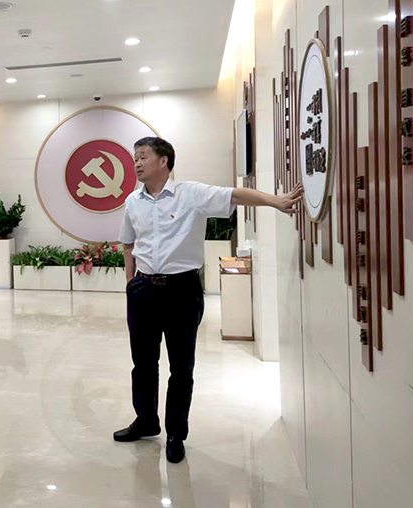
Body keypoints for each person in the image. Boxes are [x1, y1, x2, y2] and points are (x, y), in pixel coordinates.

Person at [114, 137, 303, 464]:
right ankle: (146, 421)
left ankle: (175, 434)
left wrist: (275, 201)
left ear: (164, 161)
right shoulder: (133, 202)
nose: (137, 164)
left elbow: (235, 195)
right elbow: (128, 245)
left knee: (180, 367)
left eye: (143, 157)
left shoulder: (191, 194)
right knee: (143, 363)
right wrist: (131, 284)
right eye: (135, 158)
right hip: (143, 290)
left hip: (181, 291)